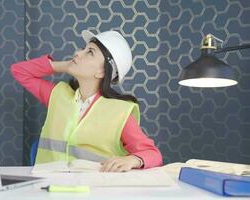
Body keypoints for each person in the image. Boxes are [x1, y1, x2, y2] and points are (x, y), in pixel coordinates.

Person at [11, 30, 163, 172]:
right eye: (83, 49)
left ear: (102, 71)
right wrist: (65, 65)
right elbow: (19, 71)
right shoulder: (57, 95)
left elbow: (153, 154)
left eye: (89, 52)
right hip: (49, 186)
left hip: (94, 190)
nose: (77, 53)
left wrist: (132, 160)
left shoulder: (119, 112)